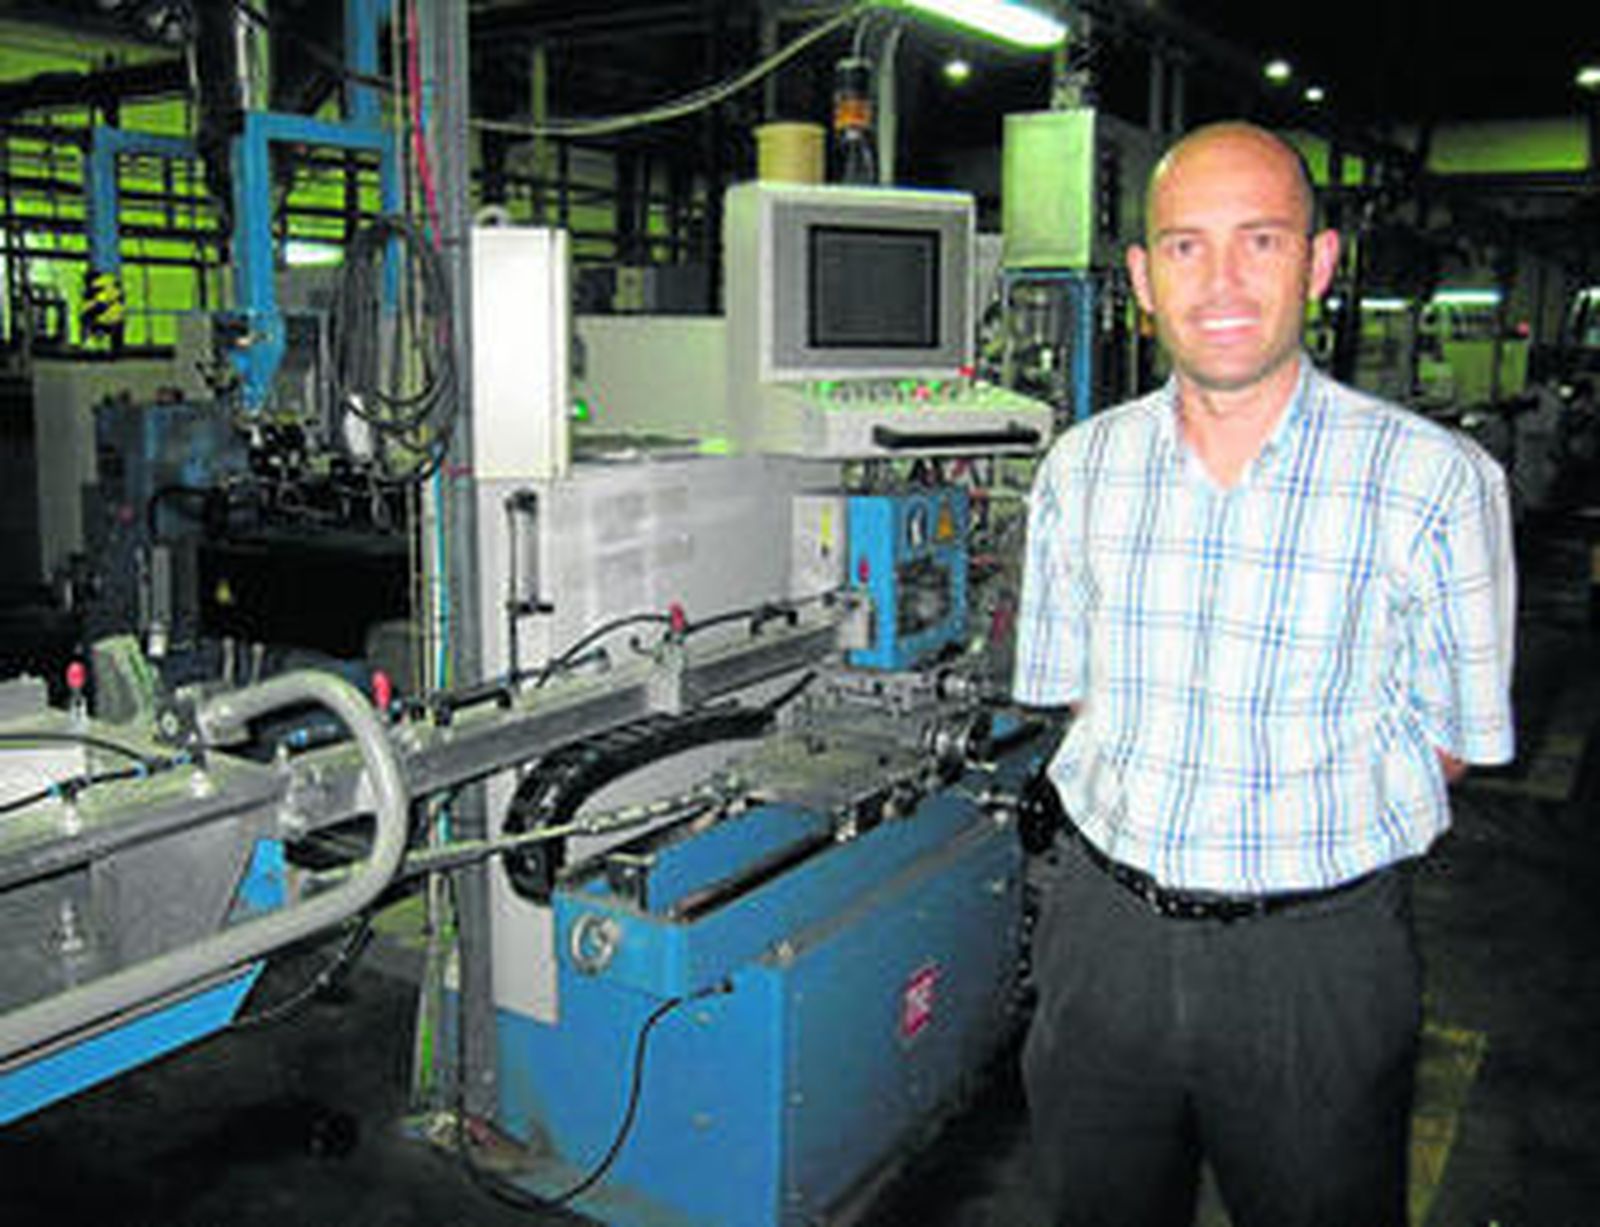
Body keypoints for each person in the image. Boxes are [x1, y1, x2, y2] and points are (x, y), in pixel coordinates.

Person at [1012, 121, 1516, 1227]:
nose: (1223, 281)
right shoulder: (1079, 472)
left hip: (1316, 963)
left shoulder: (1434, 484)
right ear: (1141, 278)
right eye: (1185, 248)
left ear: (1318, 263)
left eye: (1261, 241)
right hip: (1103, 940)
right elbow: (1072, 690)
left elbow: (1455, 738)